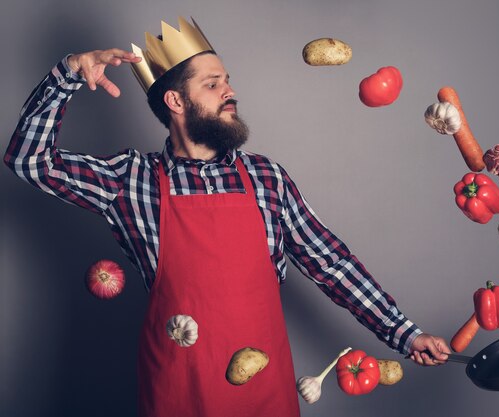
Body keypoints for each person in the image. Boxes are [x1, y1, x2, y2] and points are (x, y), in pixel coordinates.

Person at [5, 17, 450, 417]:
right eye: (214, 84)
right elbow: (29, 160)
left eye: (228, 81)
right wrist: (65, 76)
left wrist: (404, 333)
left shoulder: (264, 177)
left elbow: (329, 262)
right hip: (178, 394)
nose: (231, 91)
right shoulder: (131, 180)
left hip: (265, 396)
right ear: (176, 101)